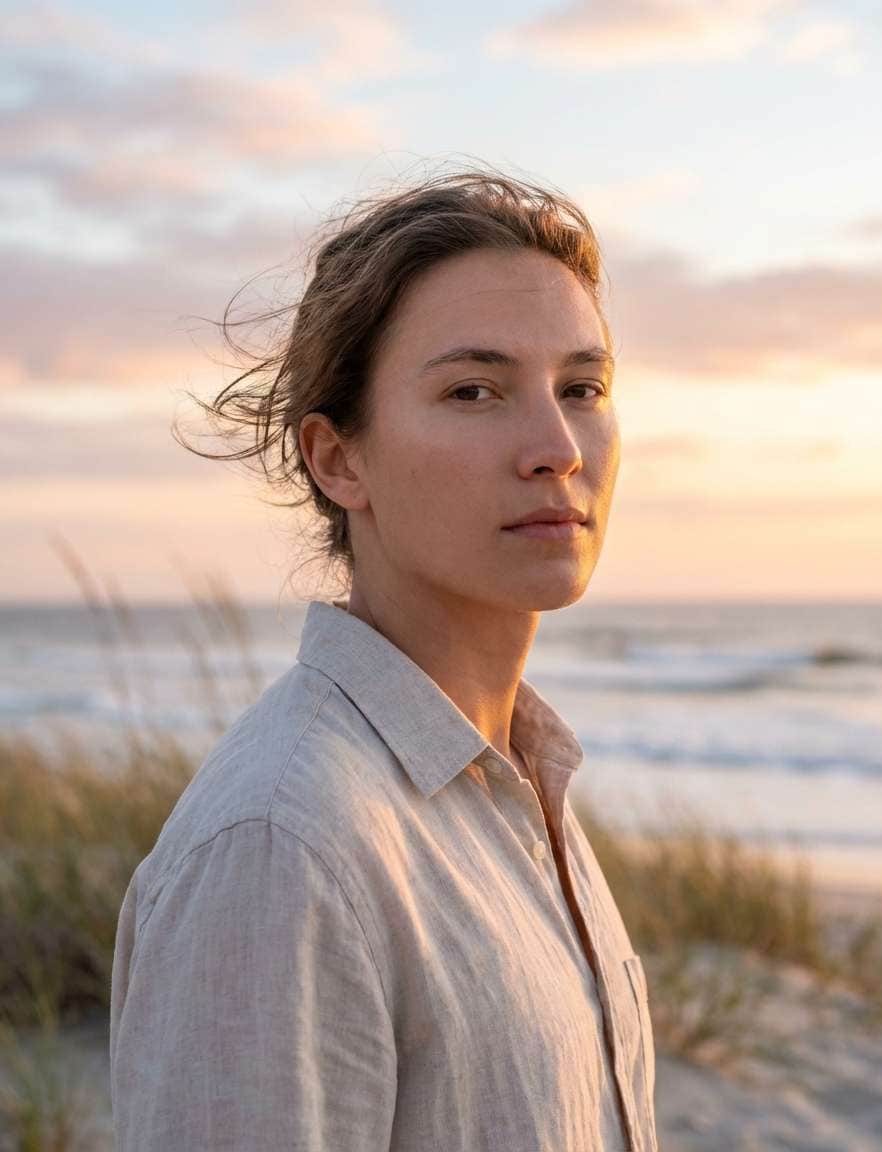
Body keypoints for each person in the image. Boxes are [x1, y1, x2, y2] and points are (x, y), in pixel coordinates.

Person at [109, 166, 659, 1151]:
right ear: (337, 459)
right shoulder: (282, 846)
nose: (557, 446)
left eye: (581, 388)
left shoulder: (520, 781)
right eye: (473, 390)